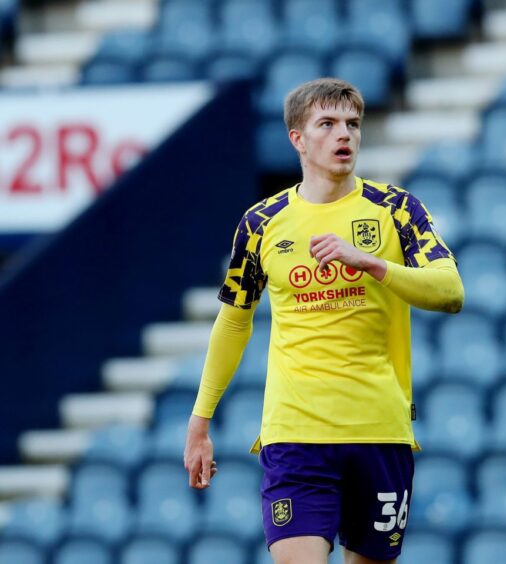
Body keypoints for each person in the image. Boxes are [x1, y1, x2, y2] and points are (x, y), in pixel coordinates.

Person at [183, 77, 464, 564]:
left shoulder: (397, 209)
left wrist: (374, 265)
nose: (345, 135)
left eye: (353, 124)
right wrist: (200, 420)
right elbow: (233, 322)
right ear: (298, 138)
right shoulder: (261, 223)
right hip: (296, 432)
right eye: (328, 124)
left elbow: (451, 292)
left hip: (378, 429)